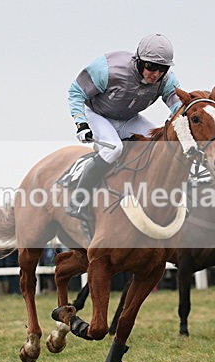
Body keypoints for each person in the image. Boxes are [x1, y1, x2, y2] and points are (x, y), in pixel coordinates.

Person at [65, 33, 183, 227]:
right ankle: (78, 201)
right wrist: (81, 123)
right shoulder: (108, 69)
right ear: (139, 61)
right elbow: (76, 91)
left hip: (128, 118)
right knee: (114, 148)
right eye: (151, 66)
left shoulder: (166, 80)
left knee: (162, 145)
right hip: (98, 115)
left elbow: (177, 106)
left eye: (162, 69)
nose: (155, 74)